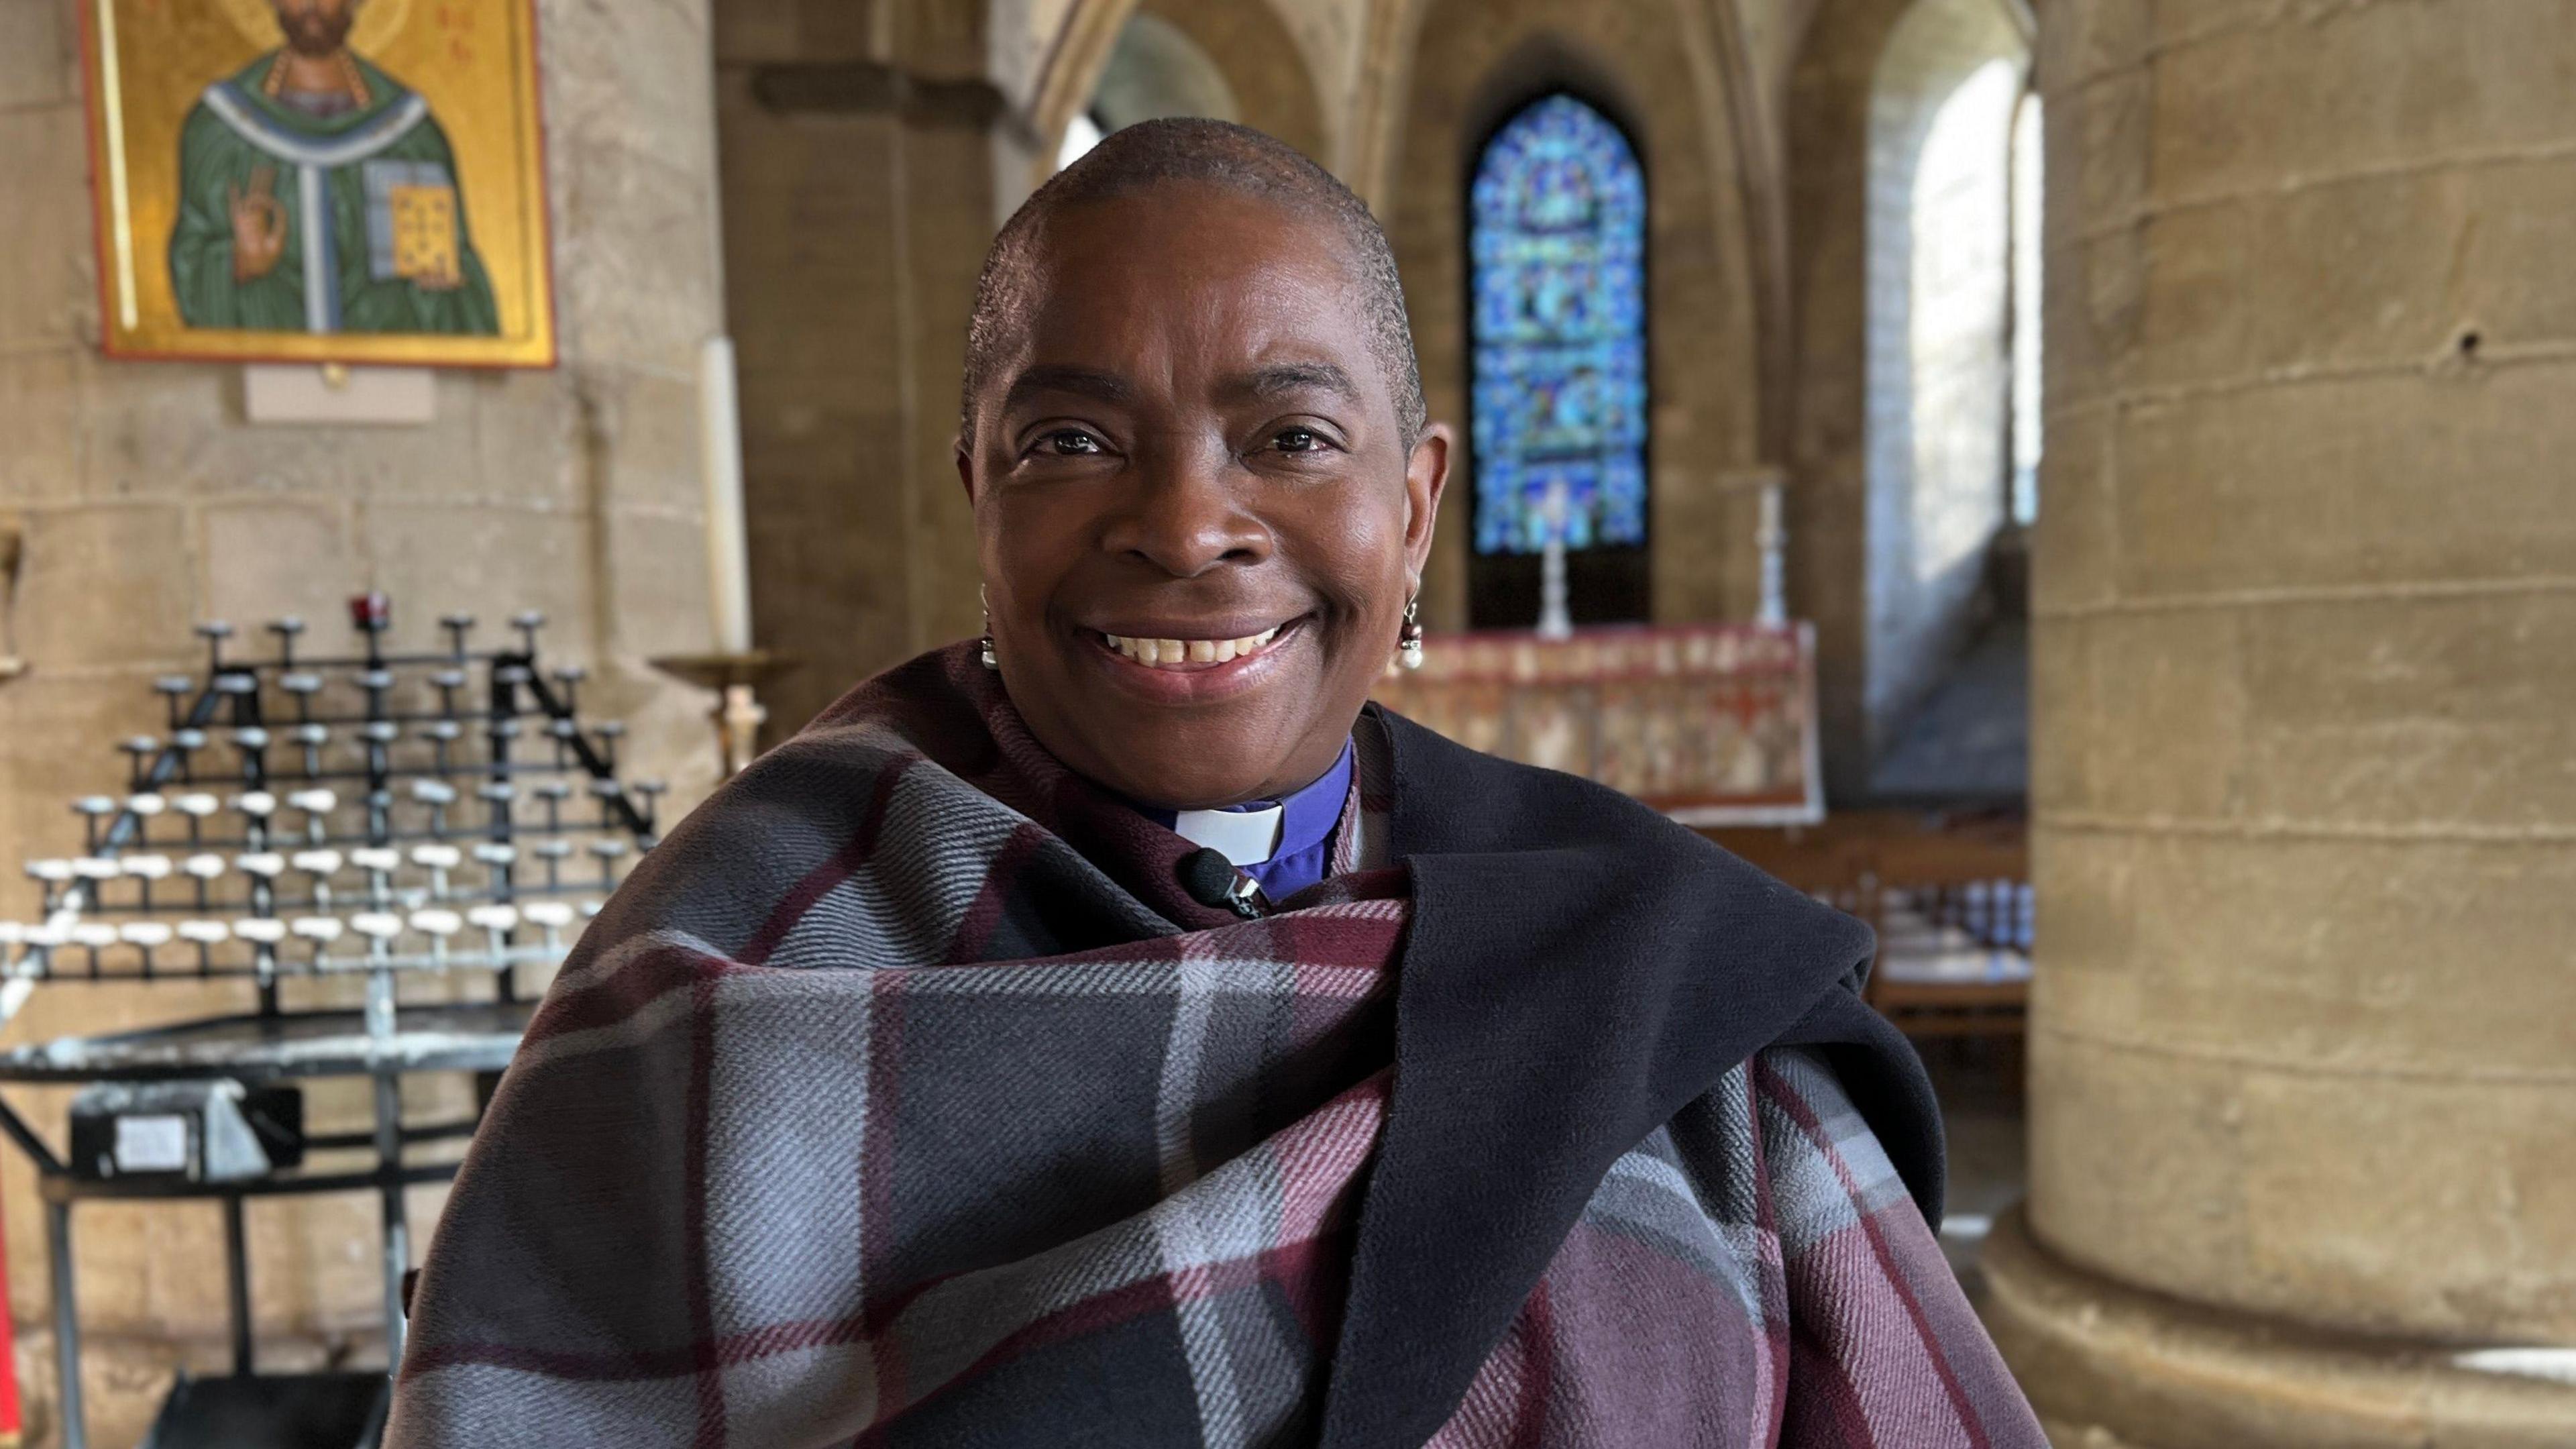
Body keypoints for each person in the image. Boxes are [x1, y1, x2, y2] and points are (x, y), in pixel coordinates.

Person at [386, 119, 2043, 1448]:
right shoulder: (727, 971)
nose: (1185, 527)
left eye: (1290, 438)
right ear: (978, 492)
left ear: (1415, 505)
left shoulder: (1650, 969)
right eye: (1071, 441)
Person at [170, 0, 499, 335]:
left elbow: (460, 279)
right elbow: (191, 256)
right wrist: (238, 263)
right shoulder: (222, 129)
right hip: (266, 366)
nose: (312, 5)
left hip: (388, 367)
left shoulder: (408, 131)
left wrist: (438, 286)